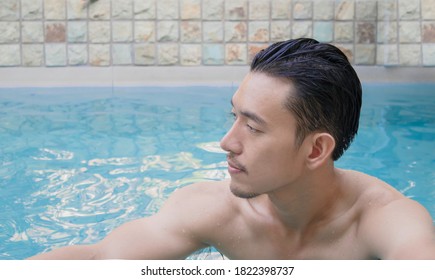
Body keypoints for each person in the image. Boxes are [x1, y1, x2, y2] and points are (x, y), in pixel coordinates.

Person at [29, 38, 435, 260]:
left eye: (253, 127)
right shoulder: (217, 212)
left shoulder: (382, 222)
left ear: (315, 151)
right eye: (234, 117)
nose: (227, 142)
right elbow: (102, 261)